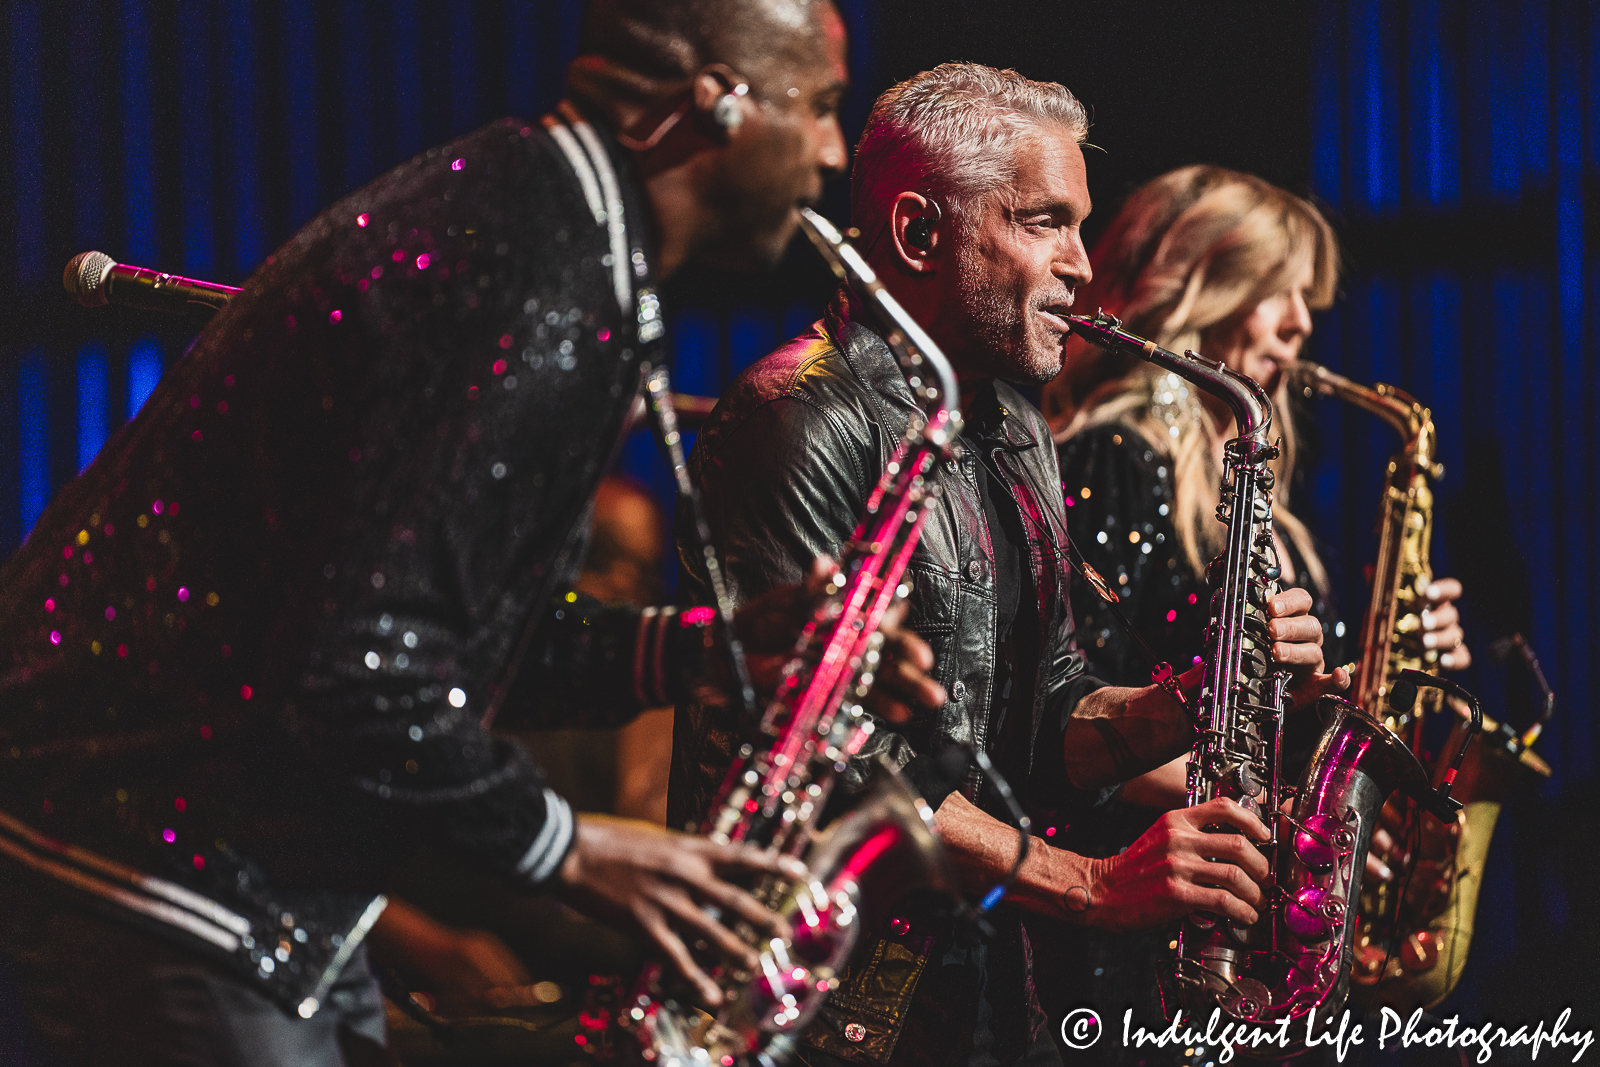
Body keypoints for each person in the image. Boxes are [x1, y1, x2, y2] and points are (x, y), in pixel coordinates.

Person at [0, 2, 944, 1063]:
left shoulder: (543, 226)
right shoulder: (524, 275)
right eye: (817, 106)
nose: (829, 149)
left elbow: (424, 639)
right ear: (712, 103)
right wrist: (575, 851)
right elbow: (352, 673)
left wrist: (692, 652)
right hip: (156, 877)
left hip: (233, 884)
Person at [670, 65, 1347, 1067]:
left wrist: (1186, 700)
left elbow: (1044, 716)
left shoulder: (1013, 418)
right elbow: (827, 772)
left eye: (1079, 223)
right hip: (817, 1007)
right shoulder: (795, 418)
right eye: (1044, 222)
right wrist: (1091, 883)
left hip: (980, 988)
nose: (1082, 263)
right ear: (916, 235)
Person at [1037, 164, 1471, 1064]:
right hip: (1148, 937)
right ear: (1205, 281)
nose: (1302, 324)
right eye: (1280, 292)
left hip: (1236, 902)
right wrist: (1281, 818)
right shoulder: (1114, 453)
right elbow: (1068, 721)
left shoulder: (1233, 476)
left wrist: (1380, 671)